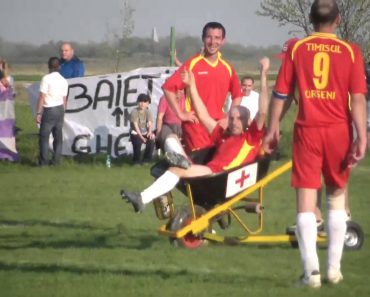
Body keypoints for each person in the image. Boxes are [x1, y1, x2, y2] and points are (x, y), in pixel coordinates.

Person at [263, 0, 367, 288]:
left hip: (307, 130)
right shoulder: (350, 51)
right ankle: (333, 269)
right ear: (337, 20)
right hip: (338, 131)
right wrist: (362, 135)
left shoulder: (297, 48)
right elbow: (357, 98)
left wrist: (272, 129)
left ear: (311, 20)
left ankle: (311, 274)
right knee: (336, 197)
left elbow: (281, 95)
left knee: (307, 203)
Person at [121, 57, 270, 213]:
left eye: (239, 119)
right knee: (173, 152)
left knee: (177, 170)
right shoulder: (223, 135)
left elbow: (263, 111)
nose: (234, 122)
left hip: (221, 176)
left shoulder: (251, 138)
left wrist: (263, 75)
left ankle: (143, 197)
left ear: (247, 122)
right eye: (231, 118)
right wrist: (191, 86)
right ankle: (182, 163)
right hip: (210, 174)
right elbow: (202, 114)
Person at [162, 22, 243, 154]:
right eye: (209, 37)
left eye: (217, 38)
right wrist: (181, 114)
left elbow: (237, 95)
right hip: (196, 126)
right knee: (200, 164)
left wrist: (229, 118)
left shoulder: (227, 67)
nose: (213, 42)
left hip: (218, 125)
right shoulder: (192, 64)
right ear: (203, 39)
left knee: (217, 165)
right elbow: (168, 88)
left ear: (223, 41)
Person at [36, 57, 68, 166]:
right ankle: (56, 161)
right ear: (59, 67)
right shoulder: (63, 80)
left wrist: (38, 113)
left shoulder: (46, 79)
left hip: (49, 109)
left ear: (49, 66)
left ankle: (43, 162)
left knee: (44, 137)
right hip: (60, 109)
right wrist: (63, 112)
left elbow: (42, 97)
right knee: (58, 137)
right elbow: (64, 99)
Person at [0, 58, 19, 162]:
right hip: (4, 110)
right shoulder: (8, 79)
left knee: (6, 132)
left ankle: (6, 154)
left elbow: (13, 93)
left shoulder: (9, 79)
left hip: (6, 110)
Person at [129, 93, 156, 165]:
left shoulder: (148, 111)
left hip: (145, 132)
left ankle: (146, 160)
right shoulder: (134, 112)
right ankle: (136, 161)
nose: (142, 104)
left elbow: (150, 123)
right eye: (140, 101)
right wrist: (141, 137)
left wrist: (150, 132)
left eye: (145, 102)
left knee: (151, 140)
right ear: (138, 102)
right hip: (136, 132)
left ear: (148, 103)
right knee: (137, 142)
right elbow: (136, 126)